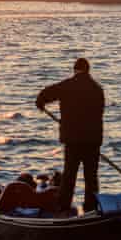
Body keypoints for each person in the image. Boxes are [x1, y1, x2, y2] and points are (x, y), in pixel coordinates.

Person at [36, 58, 105, 215]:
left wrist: (40, 102)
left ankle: (63, 206)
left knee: (69, 174)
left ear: (75, 70)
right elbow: (100, 113)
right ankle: (91, 207)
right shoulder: (97, 89)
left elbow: (46, 93)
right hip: (92, 141)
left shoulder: (67, 85)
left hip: (73, 140)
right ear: (88, 70)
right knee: (91, 177)